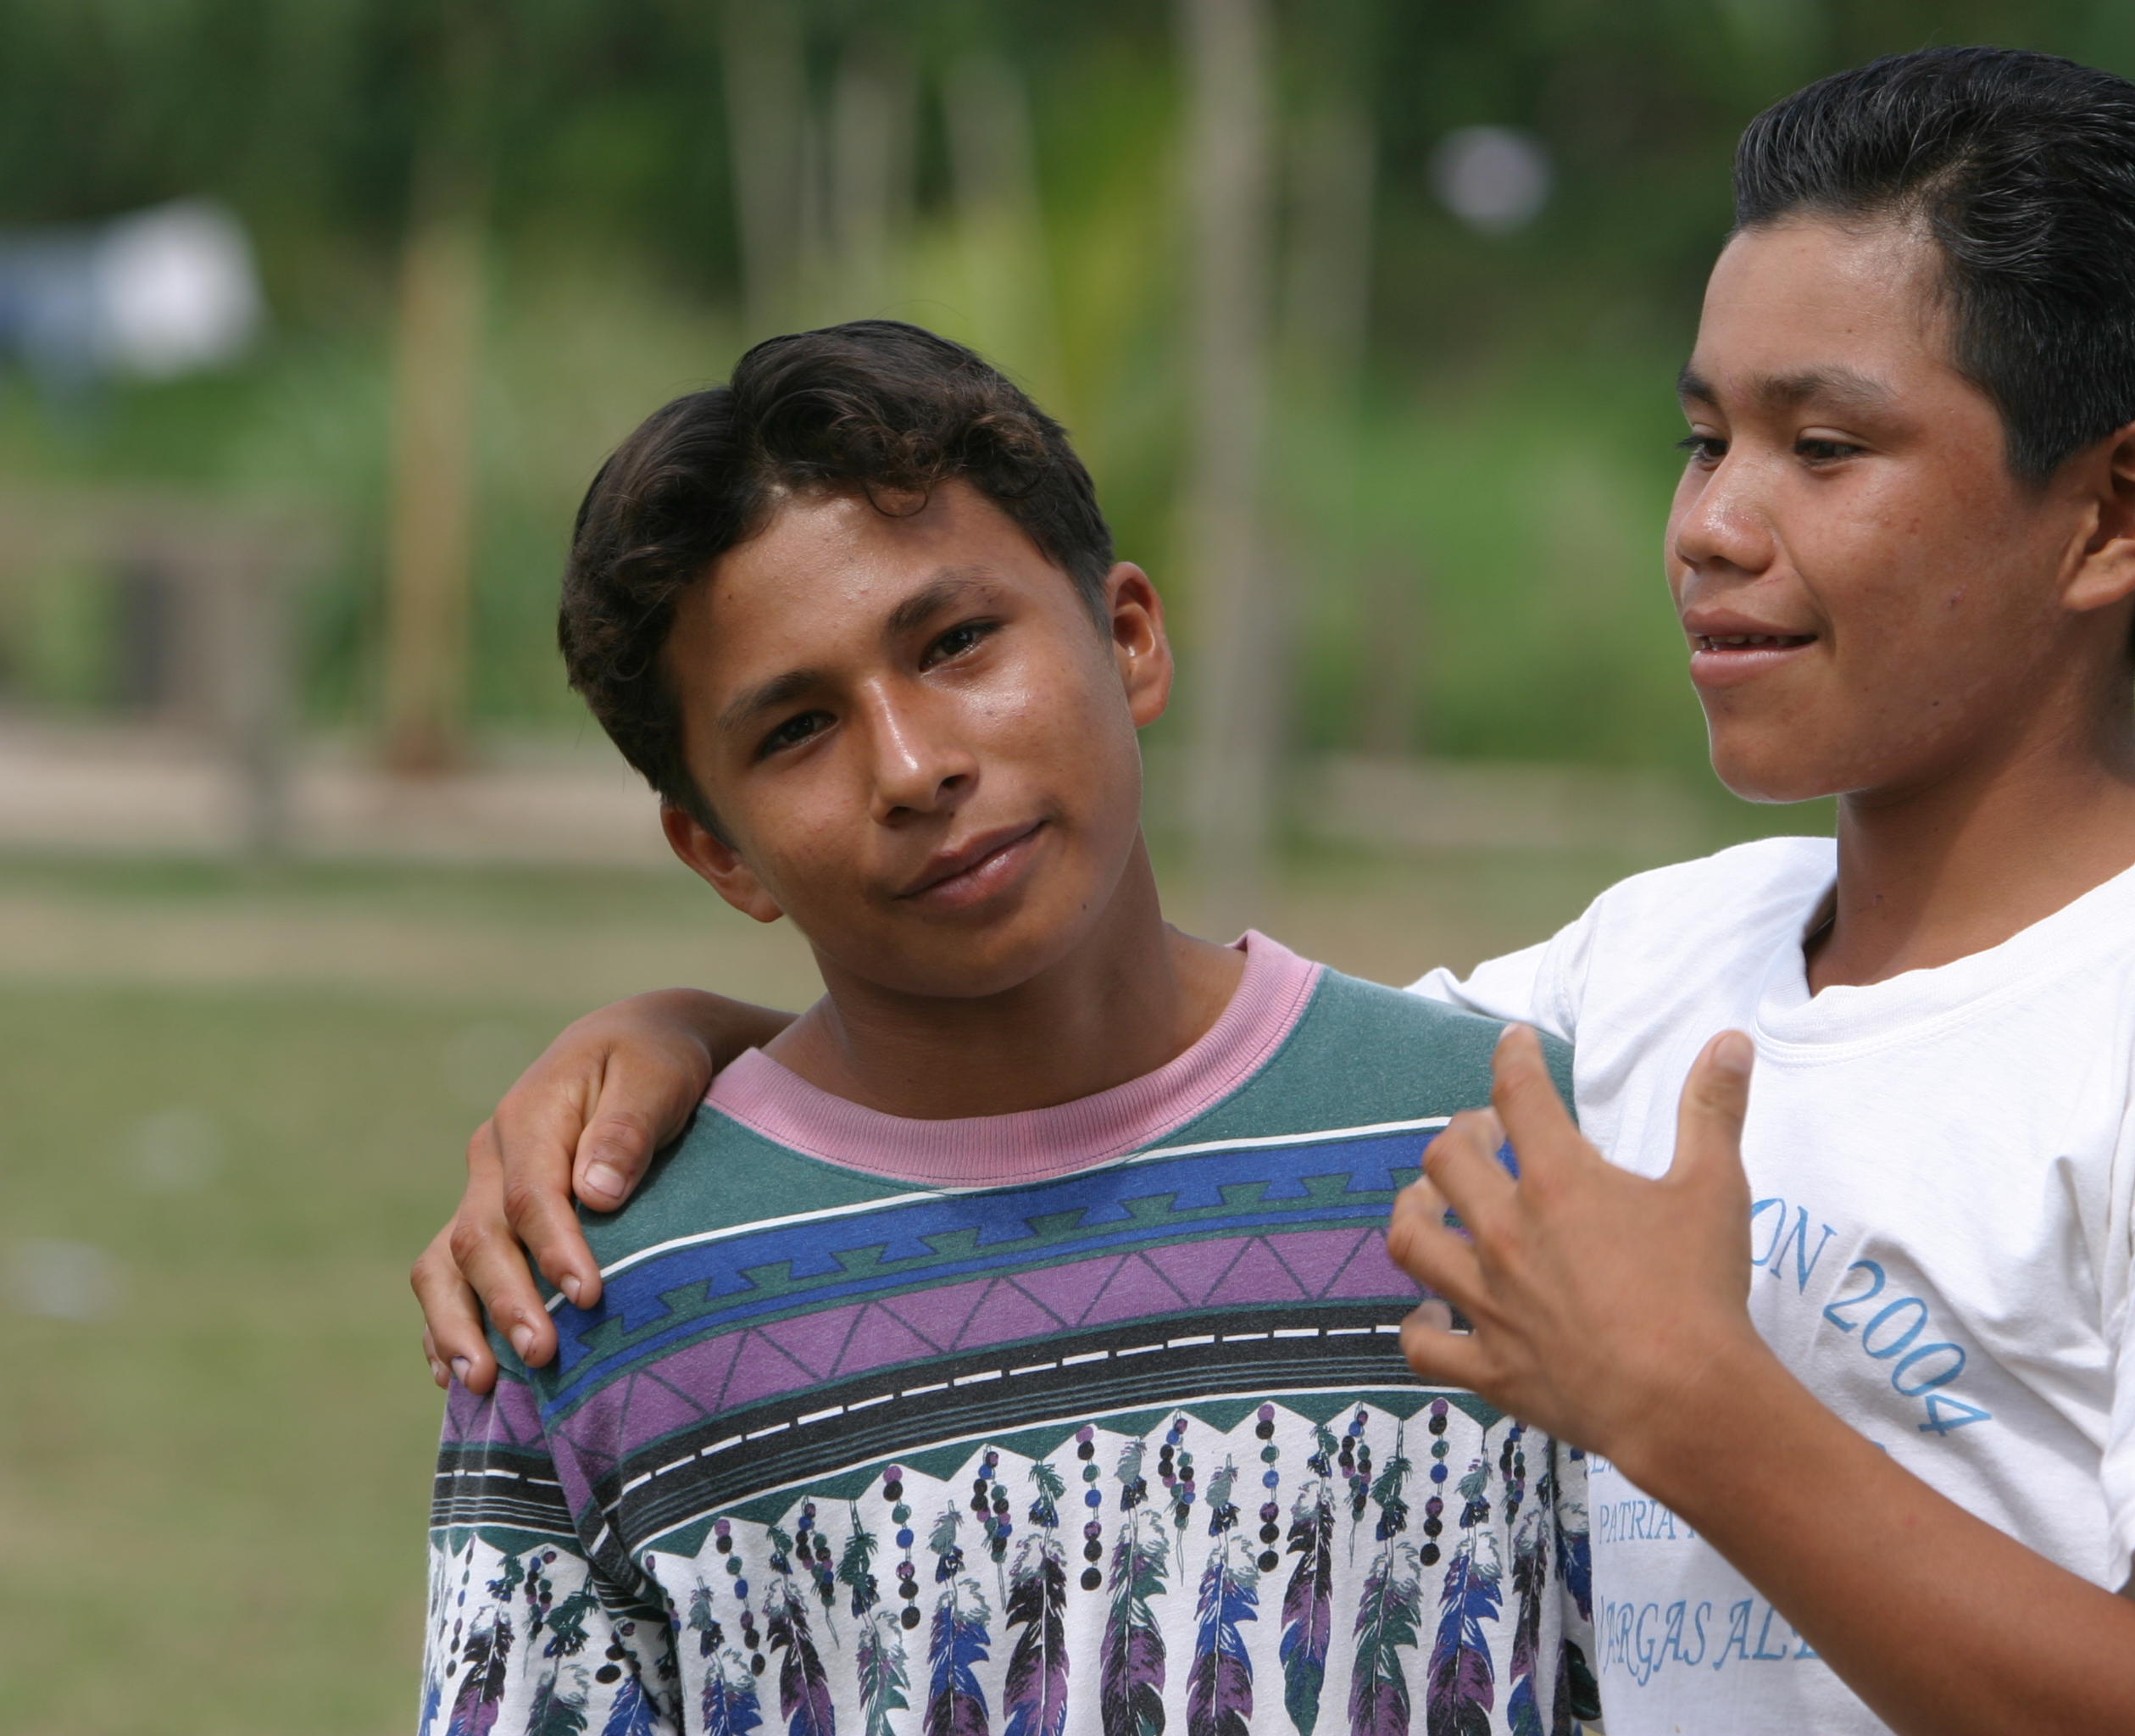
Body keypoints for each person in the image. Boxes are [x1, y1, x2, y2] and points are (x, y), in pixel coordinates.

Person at [418, 49, 2135, 1736]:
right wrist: (698, 1049)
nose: (1712, 528)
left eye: (1823, 449)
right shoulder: (1644, 974)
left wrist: (1699, 1411)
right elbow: (1165, 1070)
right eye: (1702, 442)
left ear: (2121, 506)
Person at [416, 320, 1601, 1736]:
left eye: (958, 642)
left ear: (1129, 636)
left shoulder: (1512, 1157)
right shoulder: (597, 1312)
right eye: (796, 730)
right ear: (718, 852)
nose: (914, 766)